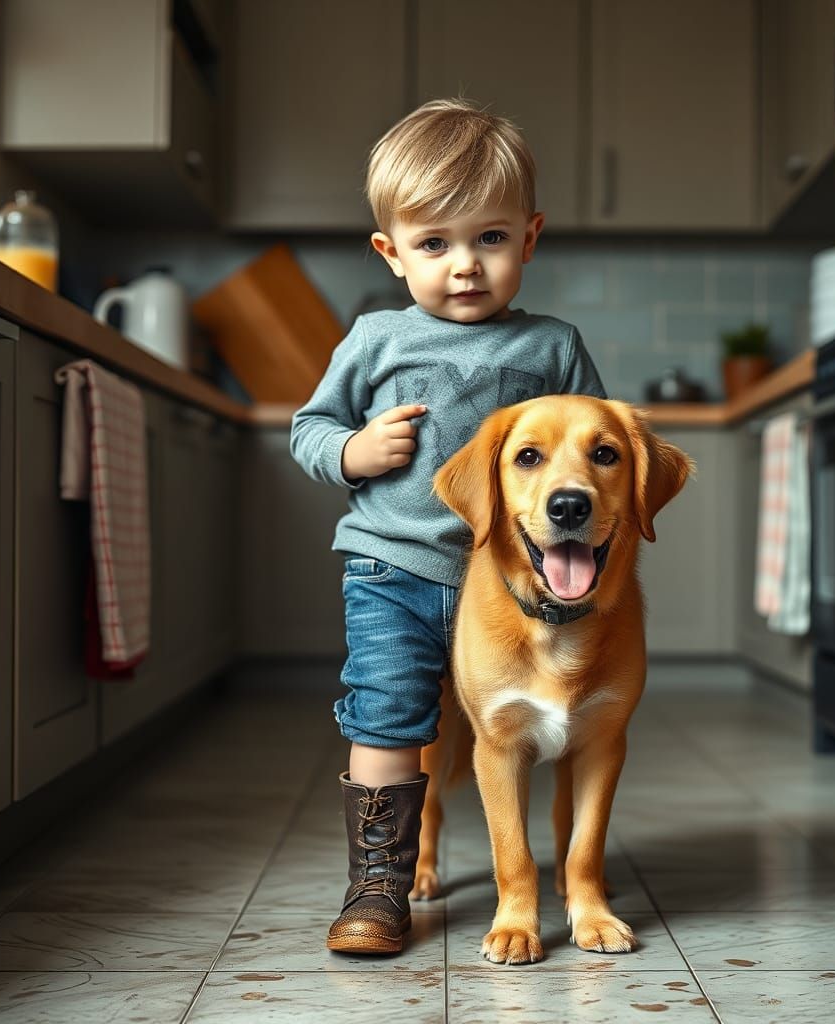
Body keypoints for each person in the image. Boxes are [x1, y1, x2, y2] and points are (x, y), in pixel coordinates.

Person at [289, 97, 606, 955]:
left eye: (490, 240)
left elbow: (589, 446)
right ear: (391, 252)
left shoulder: (553, 346)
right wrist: (353, 450)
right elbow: (308, 428)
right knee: (387, 715)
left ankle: (556, 879)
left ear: (530, 238)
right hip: (391, 570)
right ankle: (378, 889)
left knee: (517, 732)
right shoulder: (374, 337)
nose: (464, 266)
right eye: (435, 244)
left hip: (509, 589)